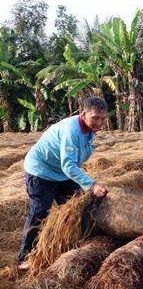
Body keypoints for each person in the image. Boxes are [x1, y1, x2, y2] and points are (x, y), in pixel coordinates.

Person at [16, 97, 109, 270]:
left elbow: (70, 163)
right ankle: (24, 257)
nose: (100, 122)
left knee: (79, 205)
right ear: (83, 114)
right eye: (96, 118)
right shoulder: (72, 130)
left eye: (103, 118)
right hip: (41, 172)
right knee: (39, 212)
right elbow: (69, 165)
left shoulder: (88, 129)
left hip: (61, 172)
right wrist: (92, 185)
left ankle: (71, 241)